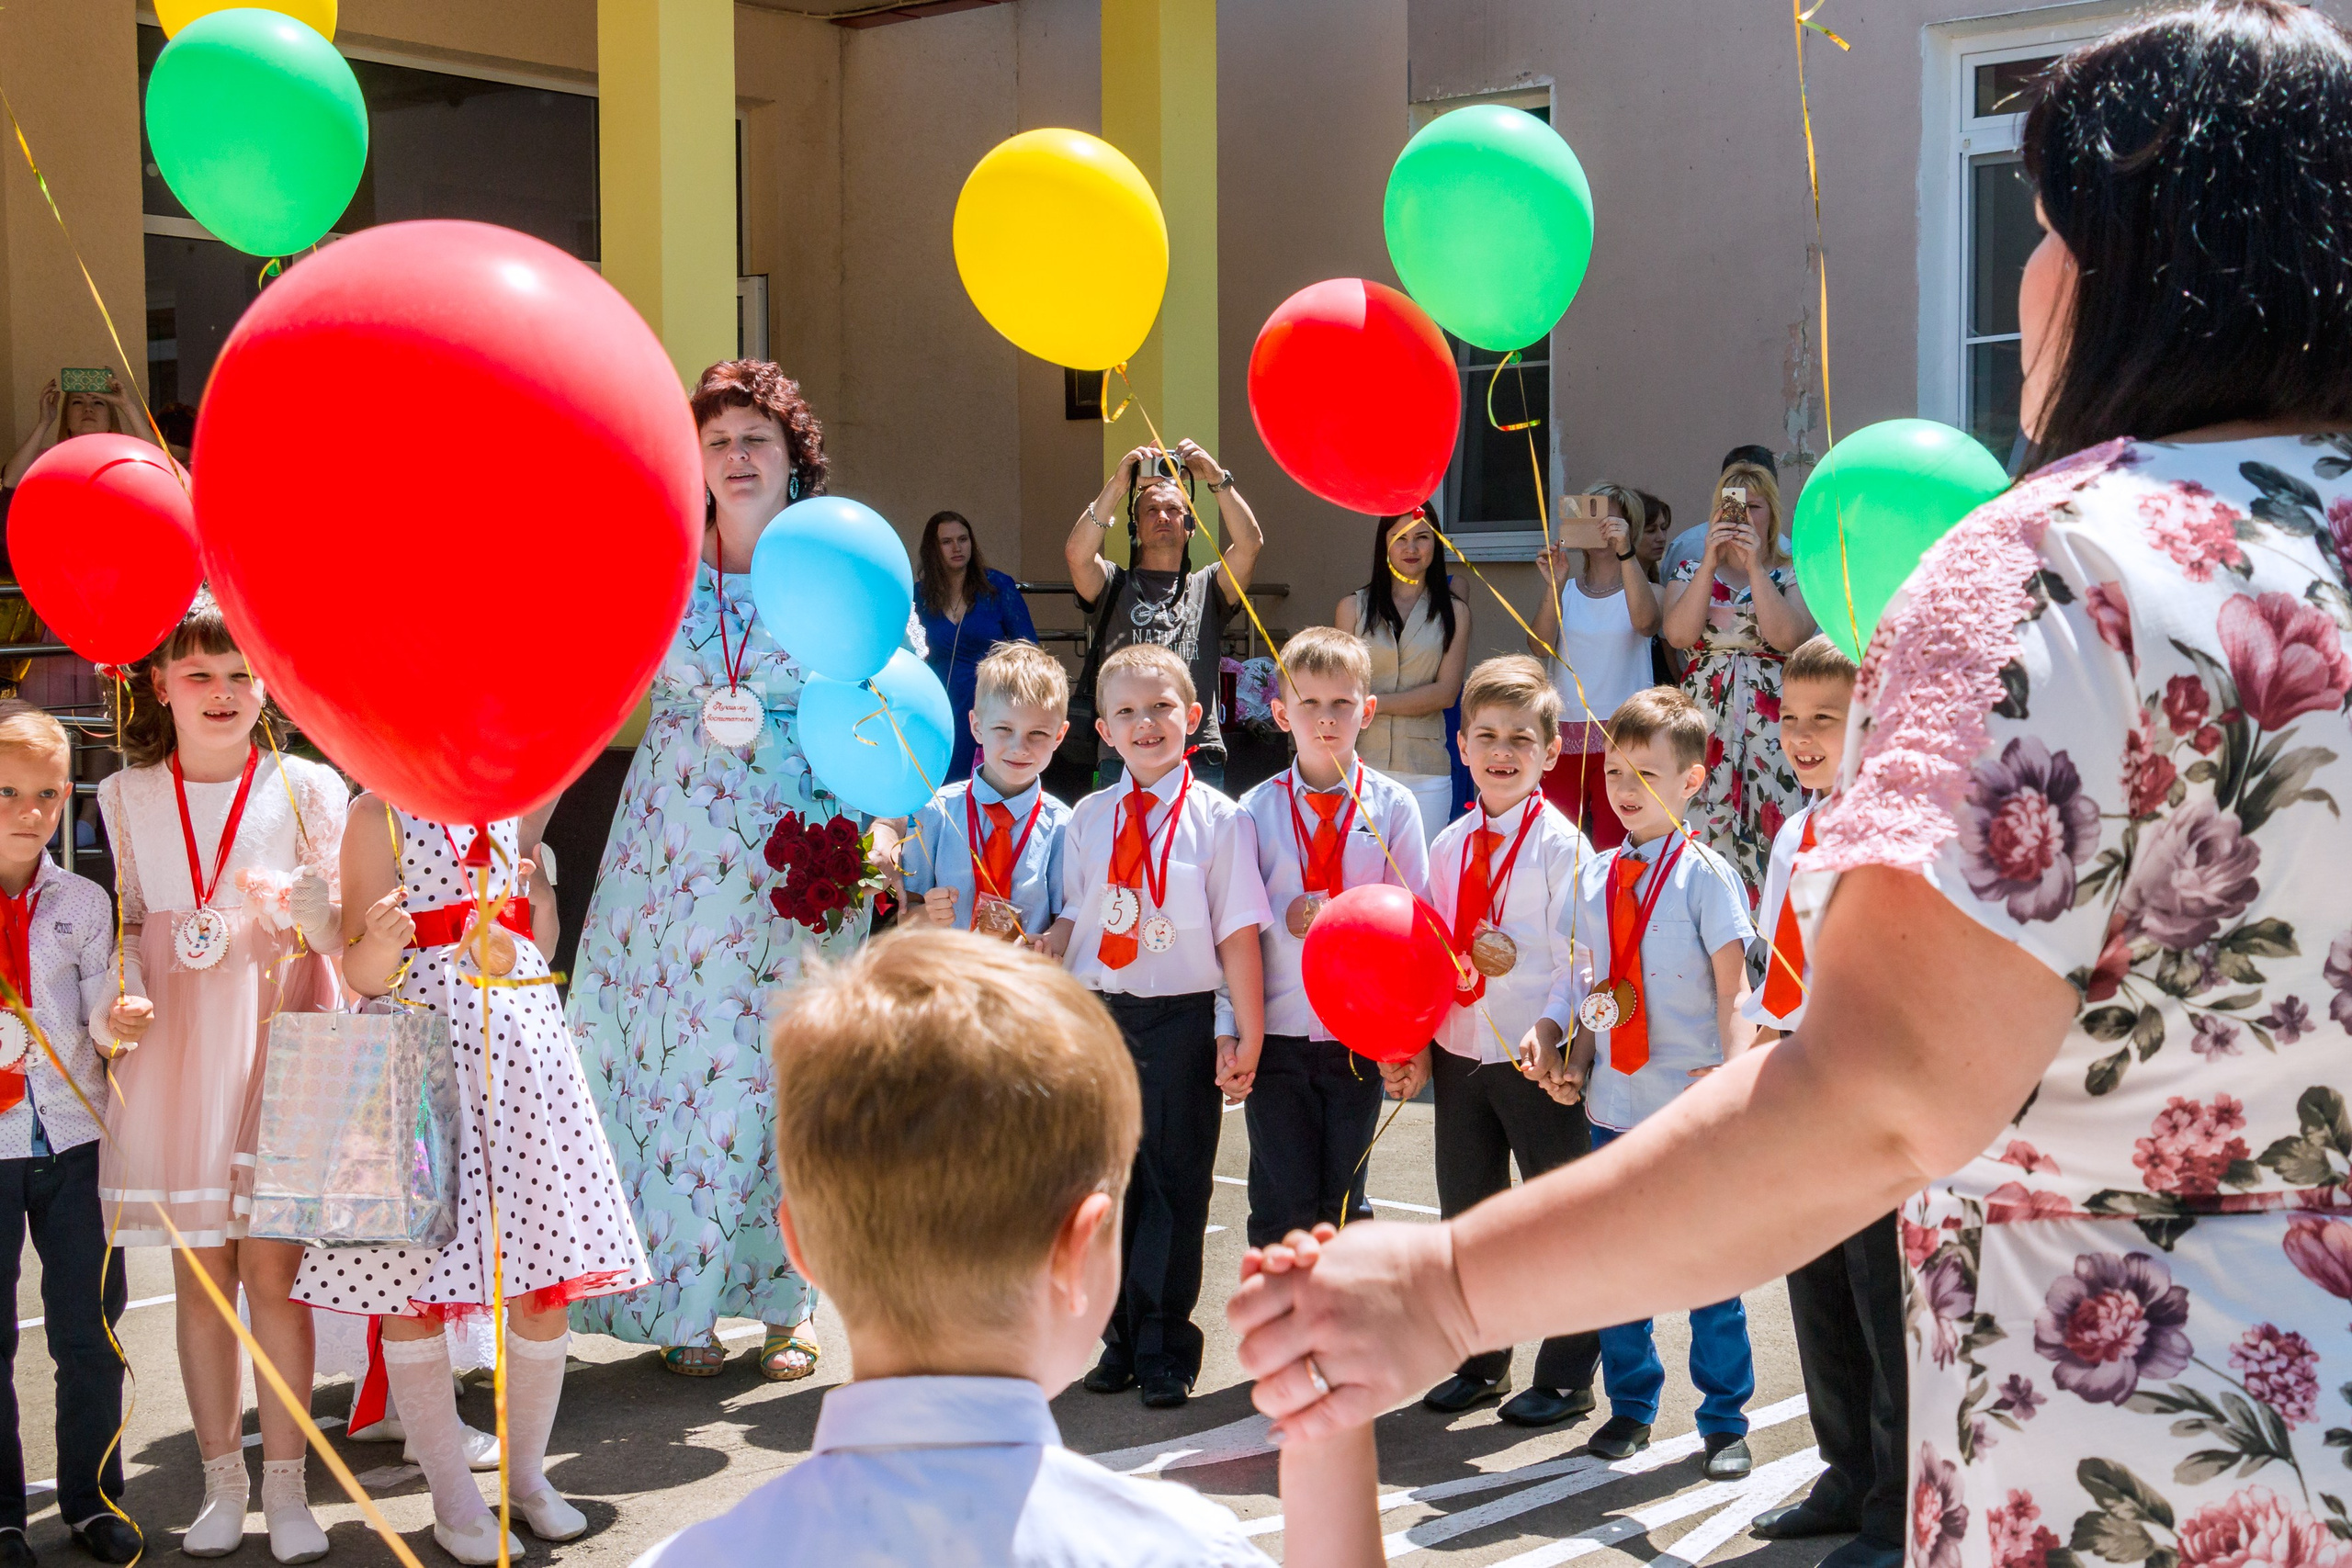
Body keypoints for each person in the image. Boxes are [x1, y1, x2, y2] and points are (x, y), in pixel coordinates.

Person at [1229, 11, 2352, 1558]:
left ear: (2140, 259)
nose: (2024, 280)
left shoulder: (2067, 563)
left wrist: (1448, 1286)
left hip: (2148, 1488)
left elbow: (1878, 1093)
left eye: (2040, 229)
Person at [627, 930, 1376, 1568]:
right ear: (1079, 1249)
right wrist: (1333, 1433)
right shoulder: (1178, 1550)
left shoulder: (687, 1558)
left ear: (802, 1245)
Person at [569, 360, 910, 1381]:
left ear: (793, 453)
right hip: (666, 871)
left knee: (787, 1084)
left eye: (757, 437)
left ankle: (787, 1303)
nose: (737, 457)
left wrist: (885, 826)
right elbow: (584, 695)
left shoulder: (837, 565)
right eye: (717, 442)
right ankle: (681, 1305)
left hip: (797, 862)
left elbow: (892, 698)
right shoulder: (658, 567)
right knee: (674, 1078)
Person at [292, 806, 647, 1564]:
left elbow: (538, 945)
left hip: (522, 1053)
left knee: (543, 1279)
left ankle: (527, 1478)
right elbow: (358, 972)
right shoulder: (376, 814)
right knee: (413, 1282)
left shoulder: (503, 800)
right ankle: (454, 1502)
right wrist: (380, 945)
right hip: (421, 1059)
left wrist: (539, 900)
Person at [94, 596, 345, 1562]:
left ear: (269, 683)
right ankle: (221, 1483)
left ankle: (289, 1489)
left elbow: (335, 937)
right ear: (159, 684)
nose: (223, 692)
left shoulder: (308, 787)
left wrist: (317, 914)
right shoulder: (125, 797)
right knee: (202, 1280)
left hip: (281, 1048)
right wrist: (114, 999)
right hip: (182, 1059)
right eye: (198, 674)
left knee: (274, 1277)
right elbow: (128, 922)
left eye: (242, 673)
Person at [1042, 643, 1270, 1409]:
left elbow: (1238, 933)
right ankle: (1118, 1340)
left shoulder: (1221, 820)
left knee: (1174, 1184)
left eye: (1162, 707)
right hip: (1102, 1017)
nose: (1146, 723)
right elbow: (1078, 911)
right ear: (1102, 730)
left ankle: (1166, 1345)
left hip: (1180, 1020)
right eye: (1128, 712)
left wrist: (1244, 1030)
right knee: (1109, 1186)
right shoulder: (1089, 817)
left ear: (1193, 719)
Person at [1537, 686, 1758, 1473]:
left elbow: (1737, 990)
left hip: (1690, 1107)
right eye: (1617, 772)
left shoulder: (1705, 875)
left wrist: (1736, 1083)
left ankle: (1725, 1419)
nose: (1627, 789)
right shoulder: (1592, 876)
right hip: (1612, 1105)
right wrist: (1563, 1052)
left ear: (1692, 782)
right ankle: (1631, 1404)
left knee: (1706, 1271)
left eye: (1648, 774)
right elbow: (1584, 987)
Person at [1386, 656, 1601, 1429]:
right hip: (1458, 1050)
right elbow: (1430, 954)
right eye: (1487, 736)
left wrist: (1551, 1030)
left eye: (1520, 737)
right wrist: (1410, 1041)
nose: (1502, 750)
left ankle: (1570, 1371)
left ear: (1548, 751)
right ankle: (1482, 1359)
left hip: (1531, 1058)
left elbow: (1580, 959)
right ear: (1464, 745)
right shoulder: (1447, 846)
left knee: (1554, 1214)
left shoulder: (1561, 846)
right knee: (1468, 1213)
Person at [1738, 635, 1898, 1568]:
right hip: (1801, 1084)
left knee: (1882, 1299)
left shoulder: (1887, 829)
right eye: (1789, 719)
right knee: (1817, 1289)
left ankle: (1893, 1504)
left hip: (1865, 1090)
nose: (1801, 739)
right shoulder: (1793, 830)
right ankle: (1842, 1471)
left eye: (1823, 721)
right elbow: (1776, 976)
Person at [1220, 627, 1429, 1246]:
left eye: (1341, 703)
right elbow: (1233, 932)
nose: (1326, 718)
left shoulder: (1393, 808)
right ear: (1281, 713)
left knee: (1343, 1205)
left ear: (1367, 710)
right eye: (1309, 703)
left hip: (1358, 1039)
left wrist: (1406, 1040)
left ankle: (1341, 1338)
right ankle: (1280, 1334)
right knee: (1280, 1203)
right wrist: (1231, 1029)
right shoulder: (1252, 812)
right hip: (1278, 1035)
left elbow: (1415, 930)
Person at [0, 703, 141, 1565]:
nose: (29, 809)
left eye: (47, 793)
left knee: (90, 1328)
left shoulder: (83, 899)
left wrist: (116, 1021)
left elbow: (97, 1007)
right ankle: (3, 1514)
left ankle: (92, 1497)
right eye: (8, 791)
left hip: (73, 1140)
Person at [1066, 443, 1264, 791]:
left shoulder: (1208, 587)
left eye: (1173, 509)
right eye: (1151, 510)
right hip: (1122, 757)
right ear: (1136, 528)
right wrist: (1117, 484)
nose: (1162, 516)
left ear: (1189, 527)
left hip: (1197, 754)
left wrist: (1217, 479)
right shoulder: (1113, 585)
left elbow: (1250, 545)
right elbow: (1077, 555)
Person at [1660, 463, 1815, 894]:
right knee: (1700, 829)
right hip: (1705, 722)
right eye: (1732, 506)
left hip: (1770, 727)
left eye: (1756, 507)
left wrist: (1755, 569)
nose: (1743, 516)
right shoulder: (1691, 571)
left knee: (1772, 827)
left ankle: (1766, 952)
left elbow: (1787, 636)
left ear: (1773, 515)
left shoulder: (1789, 573)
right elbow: (1678, 634)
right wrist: (1711, 560)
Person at [902, 641, 1070, 942]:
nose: (1020, 747)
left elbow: (1067, 921)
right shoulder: (935, 812)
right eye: (1004, 729)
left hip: (1022, 981)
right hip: (948, 977)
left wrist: (1049, 944)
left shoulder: (1064, 827)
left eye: (1038, 733)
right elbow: (904, 917)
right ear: (977, 726)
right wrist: (927, 914)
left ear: (1059, 735)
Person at [1530, 483, 1661, 849]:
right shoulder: (1567, 589)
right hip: (1565, 731)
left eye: (1610, 516)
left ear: (1629, 527)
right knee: (1555, 842)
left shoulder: (1644, 587)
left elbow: (1647, 624)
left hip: (1625, 735)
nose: (1600, 524)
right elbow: (1539, 646)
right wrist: (1554, 584)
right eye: (1590, 513)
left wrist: (1627, 554)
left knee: (1615, 842)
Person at [1334, 506, 1473, 842]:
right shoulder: (1352, 608)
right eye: (1400, 539)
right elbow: (1339, 691)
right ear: (1385, 545)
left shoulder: (1455, 612)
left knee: (1420, 885)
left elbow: (1444, 693)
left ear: (1436, 544)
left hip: (1427, 770)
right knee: (1361, 876)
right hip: (1362, 763)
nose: (1411, 548)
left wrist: (1369, 704)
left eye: (1422, 538)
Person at [915, 509, 1040, 784]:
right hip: (937, 706)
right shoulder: (920, 597)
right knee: (938, 785)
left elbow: (1030, 650)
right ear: (933, 549)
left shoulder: (998, 587)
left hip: (991, 704)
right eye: (946, 542)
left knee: (985, 787)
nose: (957, 547)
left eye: (963, 539)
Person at [1, 373, 157, 491]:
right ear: (66, 415)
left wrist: (127, 406)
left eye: (97, 402)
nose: (88, 408)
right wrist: (44, 423)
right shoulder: (49, 461)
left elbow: (162, 468)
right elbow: (10, 481)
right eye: (77, 402)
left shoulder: (127, 461)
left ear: (110, 417)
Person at [1658, 446, 1776, 585]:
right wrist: (1708, 565)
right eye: (1736, 505)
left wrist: (1755, 568)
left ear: (1773, 510)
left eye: (1753, 506)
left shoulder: (1792, 564)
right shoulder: (1686, 547)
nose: (1744, 516)